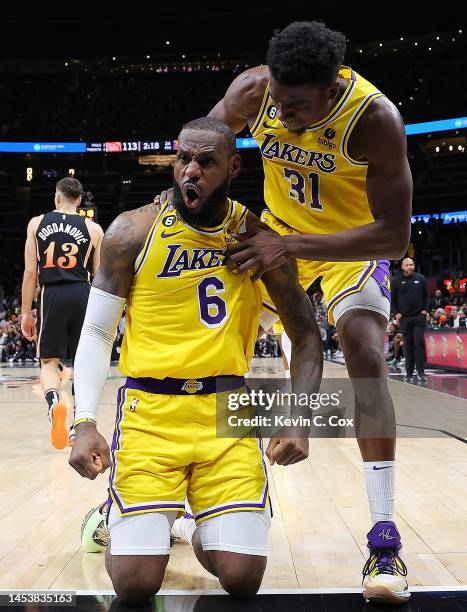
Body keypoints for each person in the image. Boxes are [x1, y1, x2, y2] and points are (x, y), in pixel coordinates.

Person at [69, 118, 322, 605]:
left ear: (233, 167)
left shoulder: (256, 239)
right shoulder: (131, 231)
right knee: (136, 585)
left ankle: (191, 523)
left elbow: (306, 333)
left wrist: (299, 418)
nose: (191, 172)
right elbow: (98, 331)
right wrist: (83, 421)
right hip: (151, 414)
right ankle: (114, 518)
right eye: (183, 159)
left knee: (243, 577)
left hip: (226, 413)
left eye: (206, 163)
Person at [204, 21, 412, 605]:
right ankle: (185, 488)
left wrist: (289, 246)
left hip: (349, 245)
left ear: (332, 87)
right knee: (211, 344)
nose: (285, 114)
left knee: (367, 356)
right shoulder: (254, 90)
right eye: (280, 103)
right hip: (278, 235)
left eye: (299, 107)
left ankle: (384, 538)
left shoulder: (374, 119)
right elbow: (201, 142)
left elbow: (393, 238)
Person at [21, 177, 104, 449]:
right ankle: (80, 425)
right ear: (79, 201)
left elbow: (31, 272)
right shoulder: (94, 229)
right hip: (84, 292)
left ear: (57, 198)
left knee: (48, 362)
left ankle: (54, 402)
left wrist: (25, 314)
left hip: (51, 293)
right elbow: (102, 277)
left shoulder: (36, 224)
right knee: (83, 362)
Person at [391, 258, 428, 384]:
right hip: (405, 318)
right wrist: (396, 313)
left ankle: (421, 373)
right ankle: (409, 373)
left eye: (411, 264)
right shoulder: (396, 281)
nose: (410, 267)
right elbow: (393, 299)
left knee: (419, 343)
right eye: (407, 265)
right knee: (408, 345)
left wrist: (425, 310)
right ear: (402, 267)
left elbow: (426, 295)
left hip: (418, 317)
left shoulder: (421, 279)